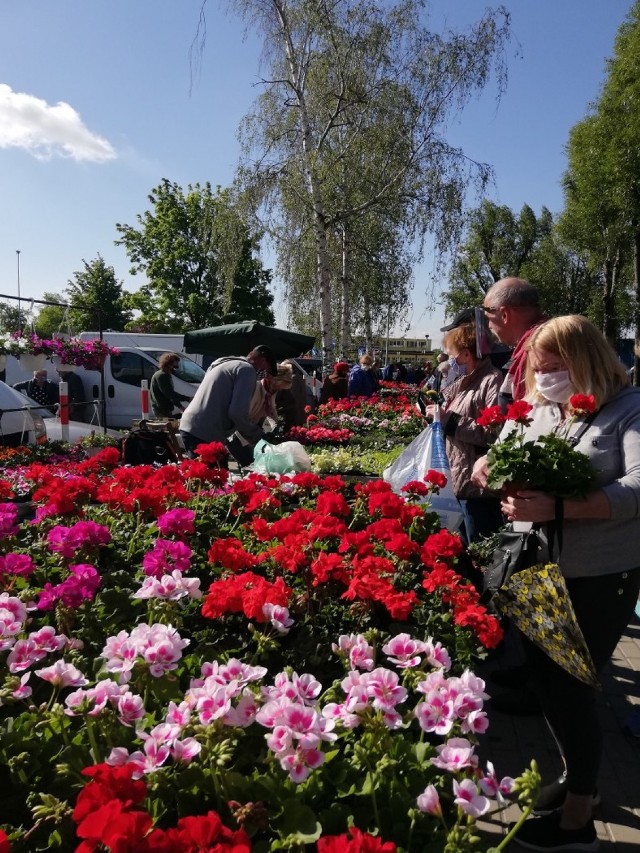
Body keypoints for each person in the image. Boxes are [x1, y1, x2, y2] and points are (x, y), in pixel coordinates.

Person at [474, 315, 640, 852]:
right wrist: (488, 471)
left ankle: (577, 821)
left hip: (598, 574)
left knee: (572, 688)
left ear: (586, 358)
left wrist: (562, 505)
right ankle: (577, 781)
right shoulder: (538, 408)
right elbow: (500, 453)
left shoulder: (627, 410)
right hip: (535, 565)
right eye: (538, 369)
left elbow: (639, 486)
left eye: (554, 368)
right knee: (545, 681)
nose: (544, 378)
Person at [424, 322, 503, 545]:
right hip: (460, 480)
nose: (450, 361)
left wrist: (448, 419)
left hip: (478, 488)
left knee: (480, 549)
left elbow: (493, 433)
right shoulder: (465, 382)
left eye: (452, 355)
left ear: (467, 354)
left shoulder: (492, 381)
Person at [179, 345, 278, 466]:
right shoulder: (246, 370)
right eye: (266, 370)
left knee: (212, 476)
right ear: (262, 360)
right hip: (204, 431)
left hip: (192, 425)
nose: (264, 375)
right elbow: (237, 413)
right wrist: (259, 437)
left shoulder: (226, 363)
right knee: (214, 478)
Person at [482, 277, 545, 408]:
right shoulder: (538, 342)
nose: (489, 326)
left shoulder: (542, 349)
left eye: (489, 318)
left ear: (505, 315)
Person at [149, 353, 193, 420]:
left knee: (169, 427)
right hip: (161, 409)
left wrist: (180, 406)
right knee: (168, 427)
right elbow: (170, 394)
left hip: (164, 408)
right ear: (169, 363)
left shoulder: (166, 375)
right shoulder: (162, 376)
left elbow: (170, 394)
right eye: (176, 363)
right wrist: (188, 399)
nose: (177, 365)